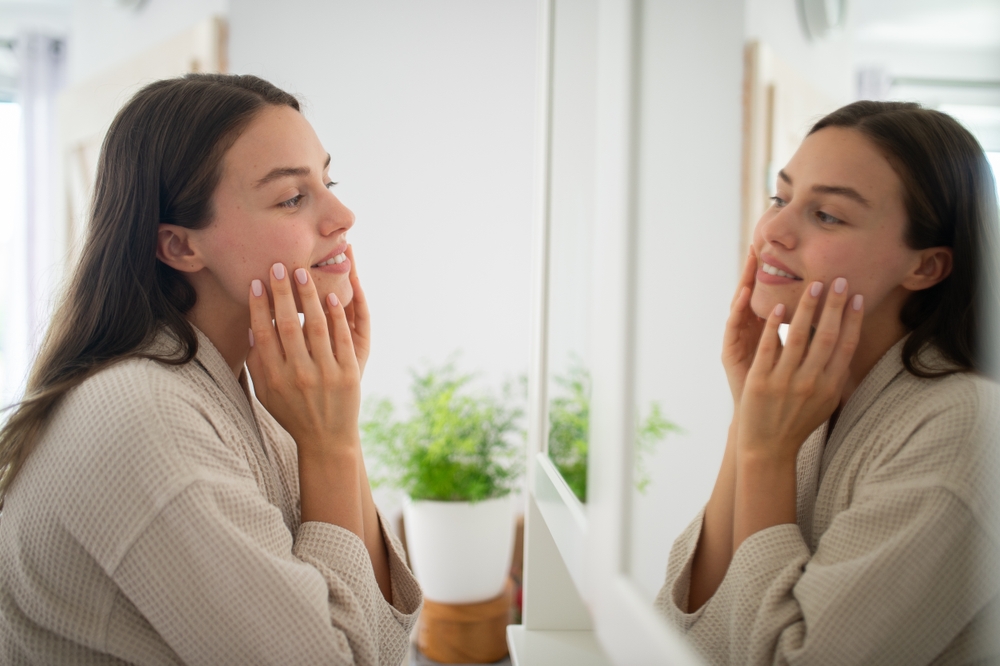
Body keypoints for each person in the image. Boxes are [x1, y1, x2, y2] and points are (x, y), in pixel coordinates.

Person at [0, 74, 422, 665]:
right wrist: (327, 446)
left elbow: (379, 641)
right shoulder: (144, 416)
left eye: (328, 181)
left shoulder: (250, 394)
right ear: (178, 246)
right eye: (292, 198)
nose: (343, 215)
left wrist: (337, 427)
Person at [656, 101, 1000, 664]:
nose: (773, 231)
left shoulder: (967, 427)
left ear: (927, 267)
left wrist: (766, 455)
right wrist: (748, 412)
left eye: (828, 215)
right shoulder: (811, 401)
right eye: (781, 198)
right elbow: (685, 631)